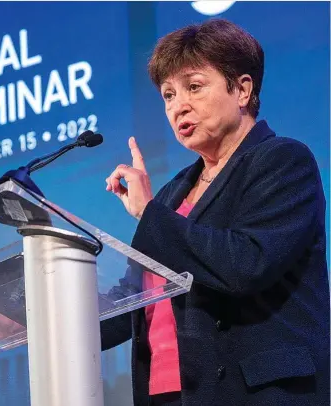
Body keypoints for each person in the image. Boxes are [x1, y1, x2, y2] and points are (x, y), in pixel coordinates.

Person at [102, 19, 330, 406]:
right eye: (168, 95)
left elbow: (246, 262)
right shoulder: (174, 193)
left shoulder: (282, 161)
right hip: (170, 393)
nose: (179, 106)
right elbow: (132, 299)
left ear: (242, 89)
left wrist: (148, 214)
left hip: (254, 392)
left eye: (193, 87)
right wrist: (22, 318)